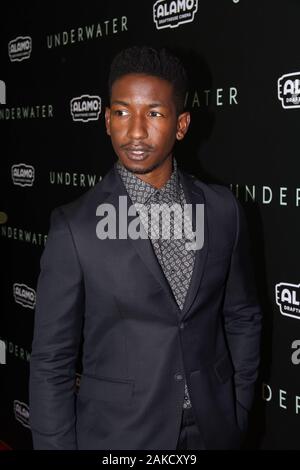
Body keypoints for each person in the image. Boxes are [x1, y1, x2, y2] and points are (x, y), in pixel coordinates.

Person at [29, 46, 262, 450]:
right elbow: (51, 363)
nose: (135, 132)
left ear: (182, 124)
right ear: (106, 121)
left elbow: (242, 317)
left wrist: (237, 409)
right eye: (121, 113)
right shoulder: (75, 228)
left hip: (215, 429)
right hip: (123, 436)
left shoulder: (224, 211)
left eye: (153, 114)